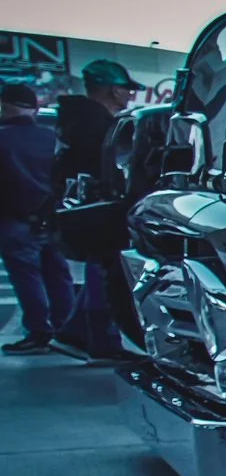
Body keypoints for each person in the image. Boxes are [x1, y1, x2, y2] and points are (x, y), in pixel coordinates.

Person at [51, 57, 145, 359]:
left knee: (101, 269)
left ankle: (75, 335)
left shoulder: (75, 118)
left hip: (86, 207)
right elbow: (110, 168)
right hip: (100, 209)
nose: (129, 96)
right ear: (112, 91)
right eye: (125, 89)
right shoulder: (97, 124)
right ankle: (103, 344)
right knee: (106, 273)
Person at [0, 82, 72, 356]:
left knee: (27, 277)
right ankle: (66, 330)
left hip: (14, 220)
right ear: (35, 108)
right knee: (59, 275)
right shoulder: (51, 137)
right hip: (52, 218)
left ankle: (39, 332)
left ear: (5, 105)